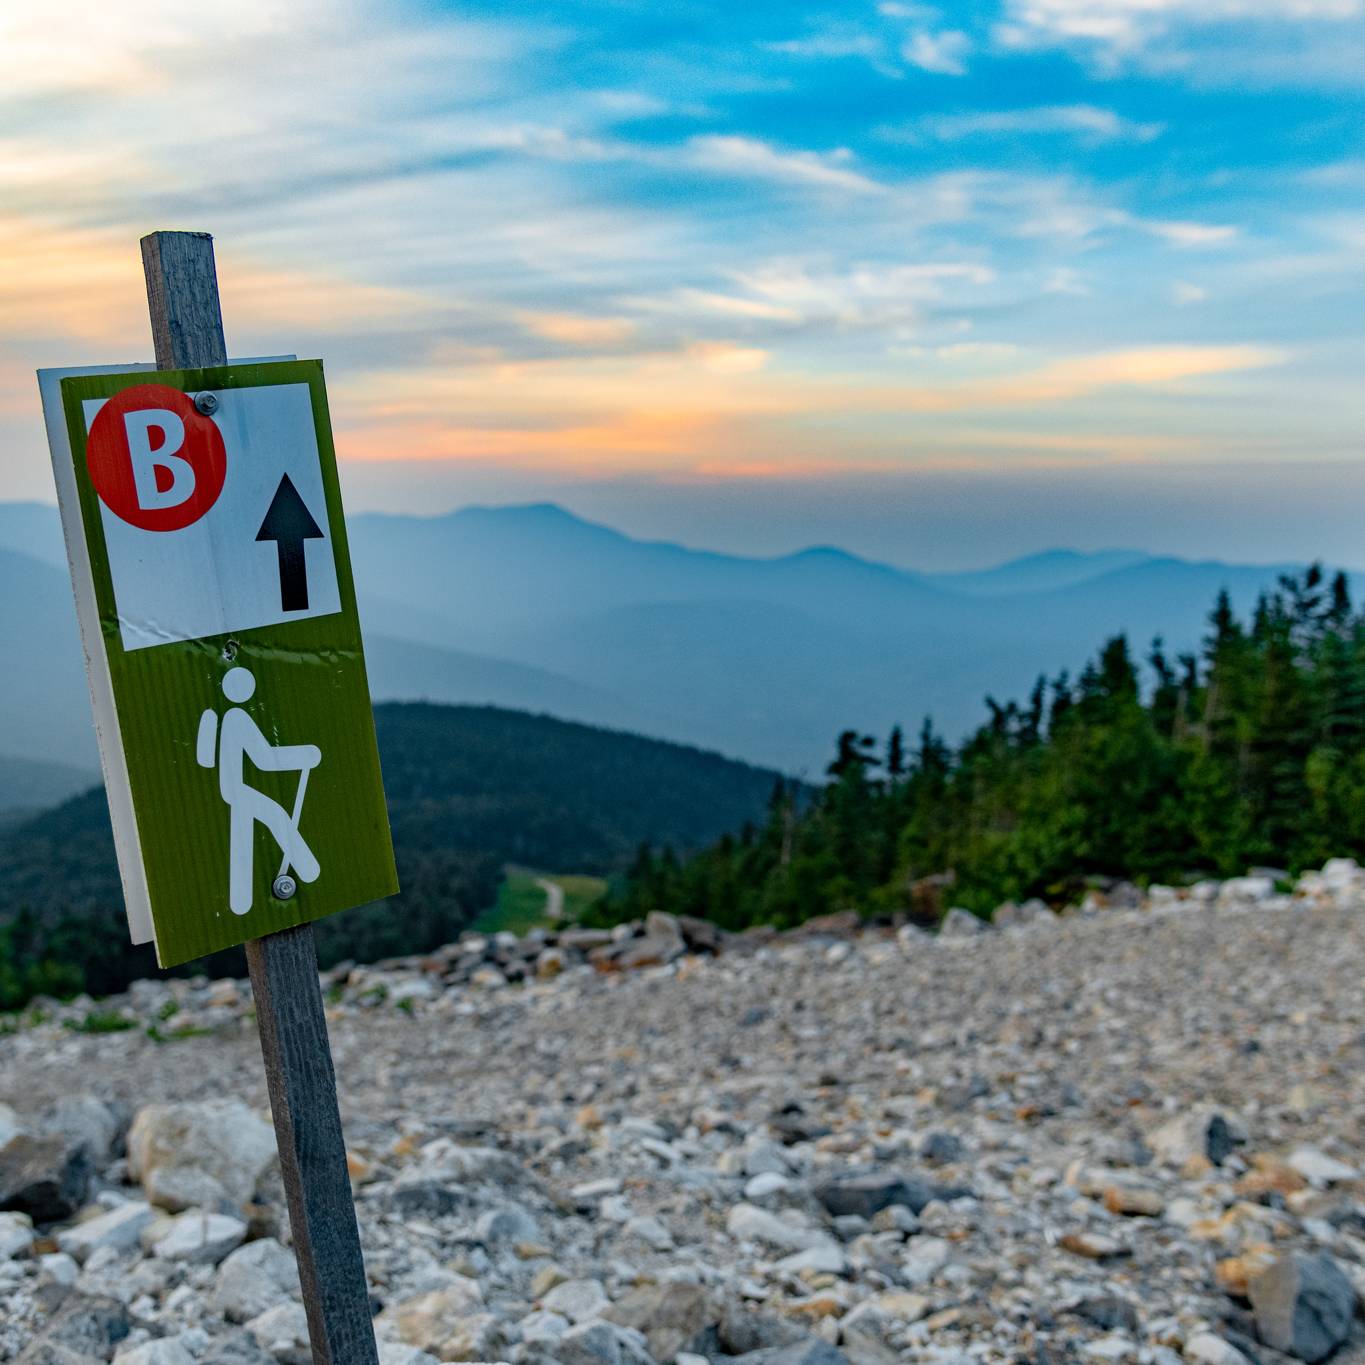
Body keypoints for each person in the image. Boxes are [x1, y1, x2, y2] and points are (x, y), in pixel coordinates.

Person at [197, 667, 321, 915]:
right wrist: (306, 754)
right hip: (238, 789)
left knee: (243, 836)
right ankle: (309, 870)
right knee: (277, 815)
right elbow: (264, 758)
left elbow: (205, 759)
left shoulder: (216, 716)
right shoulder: (238, 717)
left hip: (231, 789)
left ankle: (241, 901)